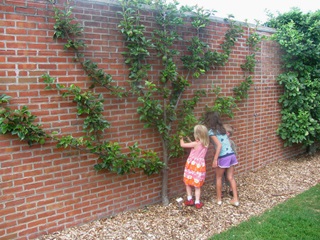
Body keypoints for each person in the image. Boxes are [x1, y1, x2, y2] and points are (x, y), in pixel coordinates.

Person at [205, 112, 240, 207]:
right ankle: (235, 199)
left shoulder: (212, 132)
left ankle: (219, 199)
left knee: (219, 177)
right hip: (231, 154)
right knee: (231, 177)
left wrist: (215, 159)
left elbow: (219, 145)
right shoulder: (223, 129)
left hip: (223, 156)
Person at [180, 124, 209, 209]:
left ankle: (190, 199)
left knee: (188, 182)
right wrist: (189, 140)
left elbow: (183, 145)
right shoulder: (206, 143)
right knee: (197, 185)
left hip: (192, 165)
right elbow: (195, 146)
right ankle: (197, 202)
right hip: (200, 166)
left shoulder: (195, 144)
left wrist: (181, 137)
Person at [223, 124, 237, 197]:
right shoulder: (221, 141)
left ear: (227, 133)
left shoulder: (231, 143)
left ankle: (231, 189)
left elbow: (234, 152)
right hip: (223, 161)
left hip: (228, 162)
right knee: (222, 176)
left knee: (229, 176)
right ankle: (223, 189)